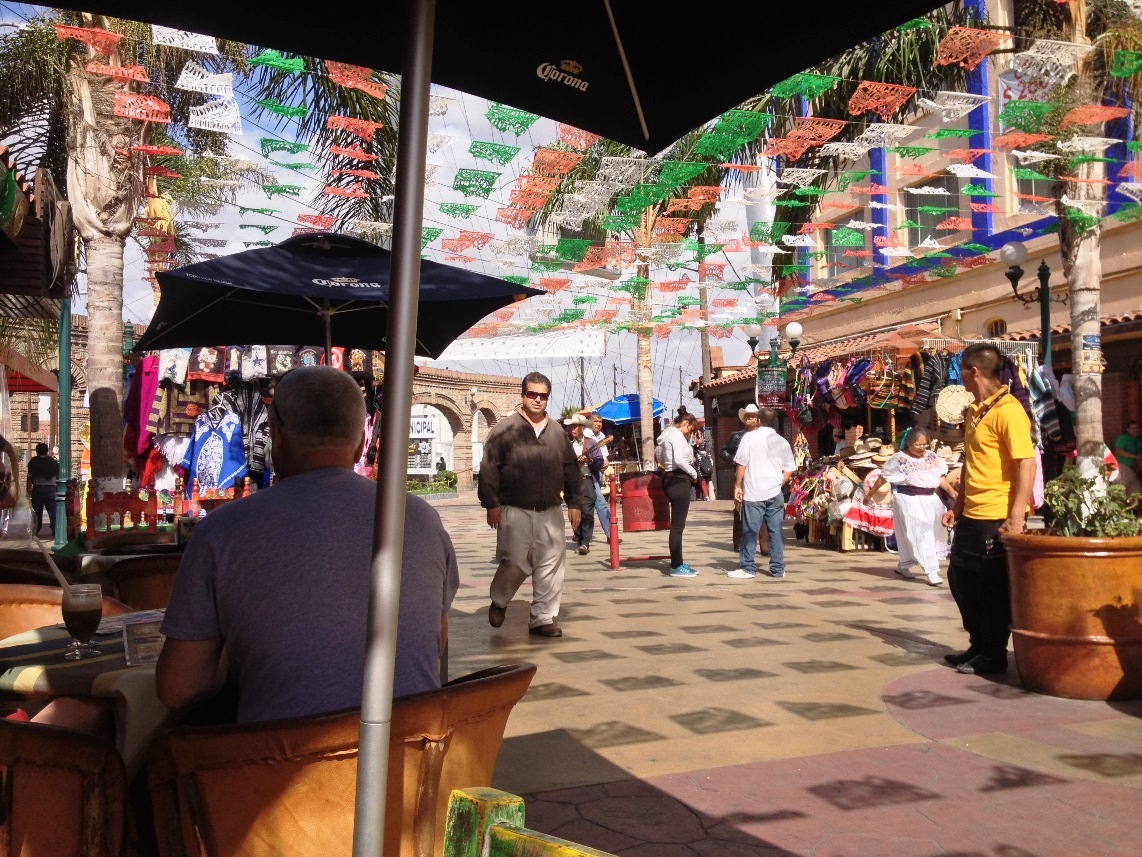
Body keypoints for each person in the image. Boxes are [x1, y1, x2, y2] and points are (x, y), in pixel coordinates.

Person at [157, 366, 460, 723]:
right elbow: (434, 644)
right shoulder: (421, 518)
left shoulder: (222, 532)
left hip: (283, 768)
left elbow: (179, 689)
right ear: (362, 442)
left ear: (277, 436)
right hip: (410, 759)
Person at [940, 343, 1036, 677]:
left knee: (991, 588)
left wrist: (1017, 515)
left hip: (996, 515)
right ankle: (978, 643)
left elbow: (1026, 463)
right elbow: (971, 462)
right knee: (960, 579)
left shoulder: (1009, 411)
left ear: (974, 371)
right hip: (972, 515)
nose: (959, 378)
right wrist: (959, 504)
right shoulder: (975, 410)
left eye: (961, 371)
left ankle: (993, 653)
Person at [479, 373, 582, 638]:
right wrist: (491, 503)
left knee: (551, 565)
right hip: (514, 509)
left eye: (543, 395)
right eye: (532, 394)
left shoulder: (558, 433)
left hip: (550, 509)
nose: (537, 400)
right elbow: (489, 467)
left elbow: (571, 469)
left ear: (548, 398)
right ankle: (500, 601)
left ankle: (542, 618)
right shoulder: (505, 429)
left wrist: (574, 502)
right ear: (523, 395)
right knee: (513, 561)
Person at [867, 428, 956, 586]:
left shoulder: (932, 457)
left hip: (930, 499)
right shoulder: (899, 459)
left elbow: (939, 477)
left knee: (930, 532)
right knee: (921, 531)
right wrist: (870, 495)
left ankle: (903, 565)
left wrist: (951, 491)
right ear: (909, 443)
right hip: (909, 499)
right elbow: (884, 478)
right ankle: (931, 571)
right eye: (918, 445)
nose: (922, 448)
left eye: (924, 444)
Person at [729, 407, 795, 579]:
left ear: (759, 420)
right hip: (775, 493)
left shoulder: (749, 438)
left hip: (754, 492)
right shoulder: (782, 441)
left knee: (750, 529)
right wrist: (777, 483)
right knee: (775, 531)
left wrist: (738, 486)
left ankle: (748, 568)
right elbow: (789, 469)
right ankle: (778, 569)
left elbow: (741, 464)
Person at [656, 412, 700, 577]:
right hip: (679, 479)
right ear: (686, 423)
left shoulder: (668, 434)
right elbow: (680, 460)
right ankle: (676, 565)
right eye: (690, 429)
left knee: (677, 526)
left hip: (672, 479)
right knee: (677, 527)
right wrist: (693, 473)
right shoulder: (675, 434)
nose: (689, 433)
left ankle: (678, 562)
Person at [726, 404, 763, 552]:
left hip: (760, 476)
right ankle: (739, 542)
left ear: (758, 419)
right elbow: (724, 452)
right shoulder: (736, 436)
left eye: (753, 416)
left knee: (763, 509)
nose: (750, 419)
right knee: (739, 509)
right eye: (748, 416)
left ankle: (765, 546)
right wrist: (735, 459)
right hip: (741, 476)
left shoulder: (764, 436)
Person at [565, 413, 603, 555]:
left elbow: (599, 462)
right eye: (571, 427)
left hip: (587, 481)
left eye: (575, 426)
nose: (572, 429)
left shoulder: (592, 443)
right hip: (572, 484)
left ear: (582, 428)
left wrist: (589, 461)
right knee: (574, 513)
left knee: (587, 513)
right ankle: (580, 538)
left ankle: (585, 543)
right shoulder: (568, 445)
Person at [585, 412, 613, 540]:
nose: (598, 424)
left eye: (600, 422)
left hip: (600, 473)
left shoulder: (602, 436)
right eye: (596, 421)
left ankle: (579, 533)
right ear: (590, 422)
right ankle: (610, 534)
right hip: (589, 474)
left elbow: (604, 455)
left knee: (588, 504)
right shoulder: (586, 435)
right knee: (601, 503)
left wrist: (606, 463)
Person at [26, 443, 60, 536]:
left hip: (37, 489)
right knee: (53, 510)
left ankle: (36, 529)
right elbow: (58, 476)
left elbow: (29, 477)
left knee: (37, 512)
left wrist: (28, 490)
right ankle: (55, 528)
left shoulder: (33, 462)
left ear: (37, 451)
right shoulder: (53, 462)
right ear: (47, 450)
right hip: (51, 489)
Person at [1113, 420, 1142, 496]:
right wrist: (1135, 457)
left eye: (1137, 428)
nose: (1135, 430)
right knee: (1121, 489)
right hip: (1122, 467)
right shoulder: (1123, 439)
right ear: (1128, 430)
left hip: (1134, 469)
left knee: (1136, 492)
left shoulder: (1139, 440)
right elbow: (1118, 451)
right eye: (1133, 428)